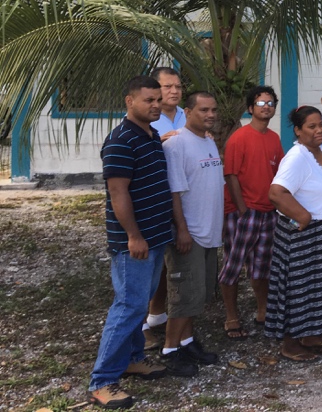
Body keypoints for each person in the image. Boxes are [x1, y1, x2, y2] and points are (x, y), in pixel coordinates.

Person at [88, 76, 173, 410]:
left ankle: (134, 358)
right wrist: (133, 235)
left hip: (154, 237)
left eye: (158, 100)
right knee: (128, 306)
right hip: (134, 241)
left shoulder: (150, 136)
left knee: (140, 301)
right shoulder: (121, 140)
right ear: (130, 101)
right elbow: (117, 192)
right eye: (148, 100)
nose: (155, 105)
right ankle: (102, 381)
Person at [265, 106, 322, 361]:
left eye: (320, 124)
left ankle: (310, 334)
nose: (319, 130)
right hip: (302, 234)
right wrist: (303, 215)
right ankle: (291, 343)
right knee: (297, 287)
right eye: (311, 126)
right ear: (298, 131)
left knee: (316, 286)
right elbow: (276, 192)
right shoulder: (297, 157)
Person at [160, 92, 223, 375]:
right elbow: (174, 192)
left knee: (197, 294)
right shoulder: (176, 145)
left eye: (213, 110)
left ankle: (186, 341)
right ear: (188, 111)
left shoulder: (209, 141)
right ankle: (170, 350)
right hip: (190, 234)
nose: (210, 115)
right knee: (183, 295)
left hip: (210, 231)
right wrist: (182, 230)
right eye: (203, 110)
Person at [218, 86, 284, 340]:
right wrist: (242, 209)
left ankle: (262, 310)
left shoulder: (274, 138)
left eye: (270, 103)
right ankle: (231, 316)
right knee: (233, 266)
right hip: (243, 212)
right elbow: (231, 174)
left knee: (261, 267)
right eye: (260, 103)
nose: (266, 106)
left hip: (269, 213)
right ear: (250, 108)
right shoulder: (239, 138)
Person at [143, 66, 185, 351]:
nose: (173, 92)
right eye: (167, 87)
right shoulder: (145, 119)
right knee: (150, 266)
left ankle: (158, 314)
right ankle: (141, 326)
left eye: (177, 86)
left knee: (171, 264)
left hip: (181, 198)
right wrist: (159, 141)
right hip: (154, 200)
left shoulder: (186, 114)